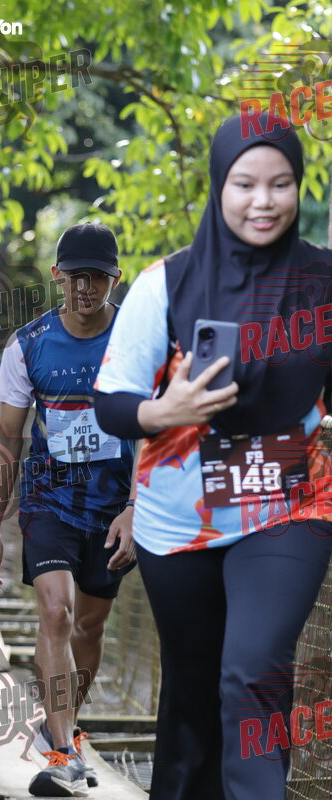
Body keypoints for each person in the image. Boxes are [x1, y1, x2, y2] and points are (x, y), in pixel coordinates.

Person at [93, 114, 332, 800]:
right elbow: (111, 401)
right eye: (245, 184)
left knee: (252, 672)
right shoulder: (165, 284)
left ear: (298, 187)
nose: (264, 201)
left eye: (280, 183)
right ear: (218, 185)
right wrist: (160, 413)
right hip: (177, 519)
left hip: (289, 504)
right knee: (194, 692)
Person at [0, 223, 137, 797]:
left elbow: (159, 431)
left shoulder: (137, 339)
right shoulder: (29, 345)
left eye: (97, 277)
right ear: (57, 276)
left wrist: (136, 507)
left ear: (115, 278)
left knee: (90, 626)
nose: (86, 287)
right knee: (56, 612)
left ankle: (62, 722)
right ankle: (63, 750)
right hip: (49, 500)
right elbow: (6, 440)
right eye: (75, 277)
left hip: (114, 506)